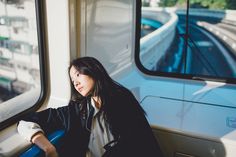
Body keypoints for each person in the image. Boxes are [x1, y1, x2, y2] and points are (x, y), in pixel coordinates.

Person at [17, 56, 163, 157]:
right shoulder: (77, 110)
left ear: (93, 70)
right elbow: (26, 121)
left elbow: (138, 144)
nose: (75, 83)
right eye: (72, 80)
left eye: (78, 75)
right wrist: (48, 148)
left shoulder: (122, 100)